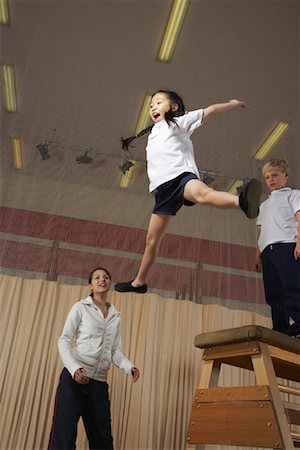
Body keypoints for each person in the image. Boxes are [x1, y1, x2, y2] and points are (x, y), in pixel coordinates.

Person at [115, 89, 262, 294]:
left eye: (158, 102)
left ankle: (241, 202)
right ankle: (139, 282)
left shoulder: (178, 122)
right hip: (162, 191)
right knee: (151, 240)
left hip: (182, 178)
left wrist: (233, 103)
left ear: (173, 107)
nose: (153, 107)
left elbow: (211, 110)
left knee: (204, 194)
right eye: (151, 105)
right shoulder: (154, 133)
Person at [48, 267, 140, 450]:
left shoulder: (115, 316)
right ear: (90, 285)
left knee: (103, 441)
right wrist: (74, 369)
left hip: (98, 384)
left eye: (106, 277)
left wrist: (129, 367)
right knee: (64, 437)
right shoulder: (80, 308)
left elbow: (114, 351)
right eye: (97, 277)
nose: (102, 280)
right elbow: (64, 340)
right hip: (73, 380)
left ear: (109, 284)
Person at [255, 158, 300, 337]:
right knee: (273, 293)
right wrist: (257, 254)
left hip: (287, 246)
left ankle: (299, 327)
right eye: (267, 177)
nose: (271, 180)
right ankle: (281, 330)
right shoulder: (263, 205)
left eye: (275, 175)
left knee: (292, 287)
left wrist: (299, 243)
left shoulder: (294, 194)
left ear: (286, 175)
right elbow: (262, 231)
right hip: (268, 251)